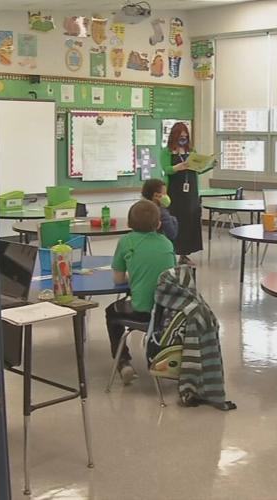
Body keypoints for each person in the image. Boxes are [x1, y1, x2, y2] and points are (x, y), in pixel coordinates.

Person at [106, 199, 176, 381]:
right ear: (159, 223)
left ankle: (123, 362)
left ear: (129, 224)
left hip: (142, 311)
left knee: (111, 312)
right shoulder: (167, 244)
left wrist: (133, 276)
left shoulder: (126, 241)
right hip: (167, 312)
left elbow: (118, 279)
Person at [160, 122, 212, 265]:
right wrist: (178, 167)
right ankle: (171, 251)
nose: (183, 138)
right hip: (175, 191)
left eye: (186, 136)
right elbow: (166, 169)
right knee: (175, 221)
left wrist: (210, 164)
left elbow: (199, 168)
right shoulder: (167, 152)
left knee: (190, 220)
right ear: (174, 136)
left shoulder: (191, 151)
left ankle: (184, 254)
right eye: (181, 136)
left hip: (190, 192)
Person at [141, 178, 178, 242]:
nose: (166, 196)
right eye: (164, 193)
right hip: (162, 244)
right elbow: (172, 234)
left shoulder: (140, 208)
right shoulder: (162, 213)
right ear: (156, 195)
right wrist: (173, 219)